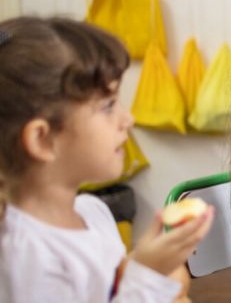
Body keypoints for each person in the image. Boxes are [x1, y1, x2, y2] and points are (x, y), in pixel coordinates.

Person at [0, 17, 212, 302]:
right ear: (43, 139)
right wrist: (148, 276)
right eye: (108, 105)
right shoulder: (27, 256)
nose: (128, 119)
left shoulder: (93, 212)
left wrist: (149, 262)